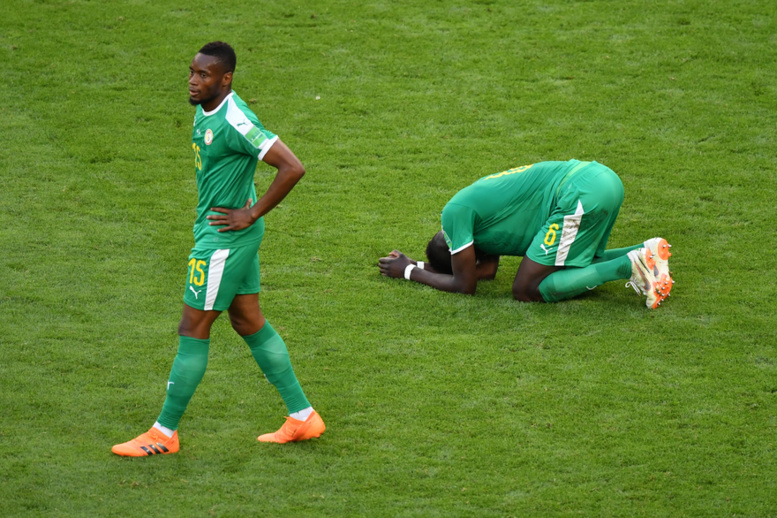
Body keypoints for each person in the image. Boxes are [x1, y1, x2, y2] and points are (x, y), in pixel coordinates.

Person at [112, 42, 325, 457]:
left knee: (193, 327)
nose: (194, 81)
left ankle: (163, 433)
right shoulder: (205, 107)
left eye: (204, 75)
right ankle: (303, 417)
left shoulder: (235, 119)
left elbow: (292, 166)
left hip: (224, 239)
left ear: (225, 79)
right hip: (223, 234)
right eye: (192, 72)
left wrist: (252, 212)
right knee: (247, 321)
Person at [378, 160, 673, 308]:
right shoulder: (482, 222)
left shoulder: (454, 213)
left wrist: (408, 271)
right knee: (573, 266)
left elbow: (464, 284)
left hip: (579, 194)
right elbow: (487, 271)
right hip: (601, 179)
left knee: (525, 289)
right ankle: (645, 251)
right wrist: (418, 263)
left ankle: (629, 265)